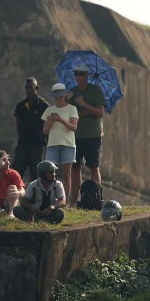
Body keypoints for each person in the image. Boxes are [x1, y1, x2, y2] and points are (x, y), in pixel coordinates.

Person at [68, 65, 105, 206]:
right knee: (75, 168)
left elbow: (100, 112)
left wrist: (84, 105)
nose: (78, 77)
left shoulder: (95, 91)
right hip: (76, 135)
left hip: (93, 135)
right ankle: (74, 200)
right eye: (76, 74)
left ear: (87, 75)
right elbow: (70, 114)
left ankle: (96, 197)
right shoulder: (73, 92)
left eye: (81, 74)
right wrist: (65, 100)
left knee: (93, 166)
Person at [41, 83, 79, 205]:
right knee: (49, 173)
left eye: (61, 95)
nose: (59, 98)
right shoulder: (49, 110)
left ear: (64, 96)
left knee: (67, 174)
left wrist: (60, 120)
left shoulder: (72, 109)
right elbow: (45, 131)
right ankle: (51, 199)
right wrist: (51, 122)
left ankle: (65, 202)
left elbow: (74, 127)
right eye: (57, 96)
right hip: (52, 145)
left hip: (68, 144)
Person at [12, 77, 48, 182]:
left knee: (36, 176)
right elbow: (17, 124)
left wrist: (43, 139)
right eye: (26, 88)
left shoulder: (44, 106)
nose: (28, 90)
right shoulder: (20, 105)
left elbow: (48, 125)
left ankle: (36, 198)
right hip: (23, 145)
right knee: (15, 175)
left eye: (30, 88)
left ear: (37, 88)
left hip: (37, 146)